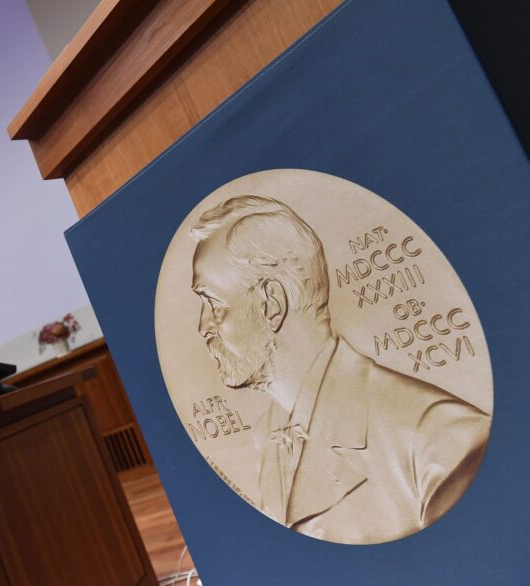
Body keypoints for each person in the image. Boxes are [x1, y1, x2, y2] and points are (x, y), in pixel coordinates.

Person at [189, 195, 490, 544]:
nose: (203, 327)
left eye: (213, 303)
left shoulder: (440, 440)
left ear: (272, 303)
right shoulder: (268, 436)